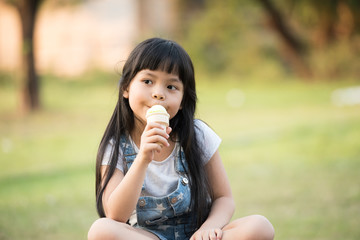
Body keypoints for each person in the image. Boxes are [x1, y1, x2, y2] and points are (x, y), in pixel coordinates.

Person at [88, 38, 275, 240]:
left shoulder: (197, 135)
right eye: (148, 81)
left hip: (197, 235)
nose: (158, 93)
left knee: (260, 226)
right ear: (125, 87)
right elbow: (115, 215)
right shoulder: (116, 145)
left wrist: (208, 228)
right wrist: (142, 158)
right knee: (101, 231)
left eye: (171, 87)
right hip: (148, 237)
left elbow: (224, 198)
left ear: (184, 100)